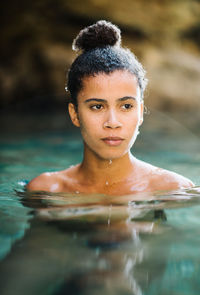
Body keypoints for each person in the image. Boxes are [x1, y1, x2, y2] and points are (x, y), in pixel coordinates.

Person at [26, 20, 194, 195]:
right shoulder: (47, 190)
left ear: (141, 112)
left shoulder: (173, 190)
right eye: (97, 106)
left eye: (126, 106)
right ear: (74, 114)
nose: (112, 123)